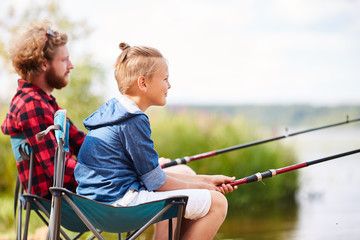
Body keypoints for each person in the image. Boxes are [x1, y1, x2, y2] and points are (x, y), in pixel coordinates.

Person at [74, 42, 237, 239]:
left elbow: (151, 176)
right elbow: (157, 183)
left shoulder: (114, 112)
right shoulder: (133, 120)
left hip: (94, 204)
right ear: (143, 83)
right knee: (217, 203)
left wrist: (207, 180)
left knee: (183, 172)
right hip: (119, 205)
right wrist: (205, 188)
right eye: (165, 79)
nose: (169, 85)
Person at [1, 20, 85, 199]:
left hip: (70, 195)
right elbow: (59, 169)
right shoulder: (31, 105)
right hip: (63, 198)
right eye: (64, 60)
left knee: (157, 175)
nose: (71, 66)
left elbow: (81, 142)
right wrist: (111, 176)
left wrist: (123, 159)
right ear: (44, 64)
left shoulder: (43, 101)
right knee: (158, 186)